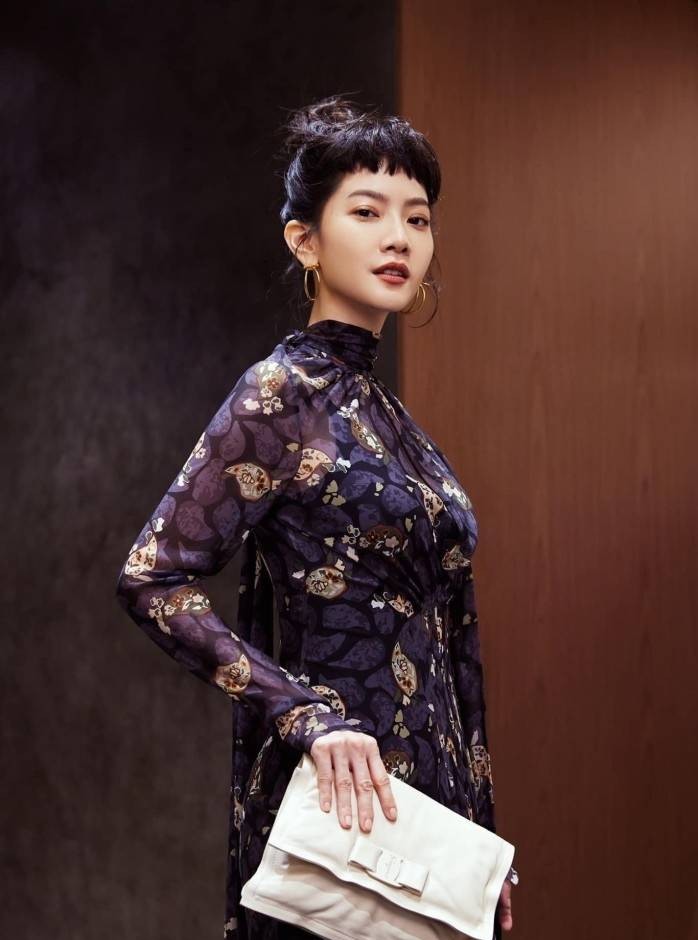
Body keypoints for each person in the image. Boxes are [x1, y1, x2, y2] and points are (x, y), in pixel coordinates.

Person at [115, 94, 519, 940]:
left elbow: (456, 639)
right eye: (367, 212)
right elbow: (153, 579)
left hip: (430, 815)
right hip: (335, 808)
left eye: (417, 218)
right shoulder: (281, 394)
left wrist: (481, 838)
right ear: (305, 240)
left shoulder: (391, 420)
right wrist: (304, 715)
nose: (398, 237)